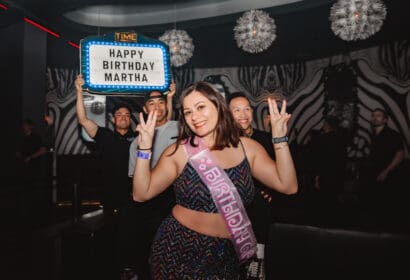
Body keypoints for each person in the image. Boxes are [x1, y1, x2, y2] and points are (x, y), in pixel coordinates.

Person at [132, 81, 298, 279]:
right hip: (180, 250)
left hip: (229, 253)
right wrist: (144, 149)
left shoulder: (248, 147)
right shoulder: (179, 152)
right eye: (187, 112)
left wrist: (279, 139)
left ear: (218, 106)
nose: (194, 117)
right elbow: (141, 194)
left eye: (200, 107)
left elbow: (288, 186)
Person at [75, 74, 137, 279]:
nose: (123, 117)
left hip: (133, 198)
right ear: (113, 119)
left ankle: (129, 269)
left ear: (131, 119)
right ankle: (111, 270)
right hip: (110, 198)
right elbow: (83, 119)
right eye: (119, 114)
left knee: (130, 237)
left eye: (127, 115)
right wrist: (79, 90)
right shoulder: (105, 136)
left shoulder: (139, 139)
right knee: (109, 237)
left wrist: (170, 98)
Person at [125, 89, 178, 279]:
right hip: (151, 203)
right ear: (145, 109)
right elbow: (135, 181)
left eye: (161, 102)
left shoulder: (181, 128)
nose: (157, 106)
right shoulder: (136, 143)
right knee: (150, 250)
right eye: (152, 103)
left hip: (178, 198)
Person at [227, 92, 275, 279]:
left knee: (257, 261)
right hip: (231, 207)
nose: (243, 114)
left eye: (247, 109)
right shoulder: (224, 141)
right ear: (228, 114)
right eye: (237, 110)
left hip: (258, 206)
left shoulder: (265, 138)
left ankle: (257, 271)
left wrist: (271, 190)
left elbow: (280, 170)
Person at [361, 108, 405, 226]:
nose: (375, 118)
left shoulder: (392, 134)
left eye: (378, 116)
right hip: (374, 176)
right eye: (373, 115)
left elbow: (400, 154)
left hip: (388, 177)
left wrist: (387, 170)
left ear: (385, 119)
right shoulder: (374, 135)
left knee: (385, 210)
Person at [311, 116, 347, 225]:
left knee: (323, 202)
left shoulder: (322, 139)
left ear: (327, 125)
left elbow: (318, 160)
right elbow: (343, 160)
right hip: (338, 176)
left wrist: (317, 177)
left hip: (325, 176)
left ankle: (323, 225)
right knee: (334, 203)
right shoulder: (342, 140)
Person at [16, 118, 49, 185]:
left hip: (34, 169)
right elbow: (19, 152)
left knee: (33, 189)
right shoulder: (21, 138)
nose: (24, 126)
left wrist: (31, 157)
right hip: (23, 169)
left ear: (31, 126)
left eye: (25, 125)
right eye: (23, 125)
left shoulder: (36, 138)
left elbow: (43, 150)